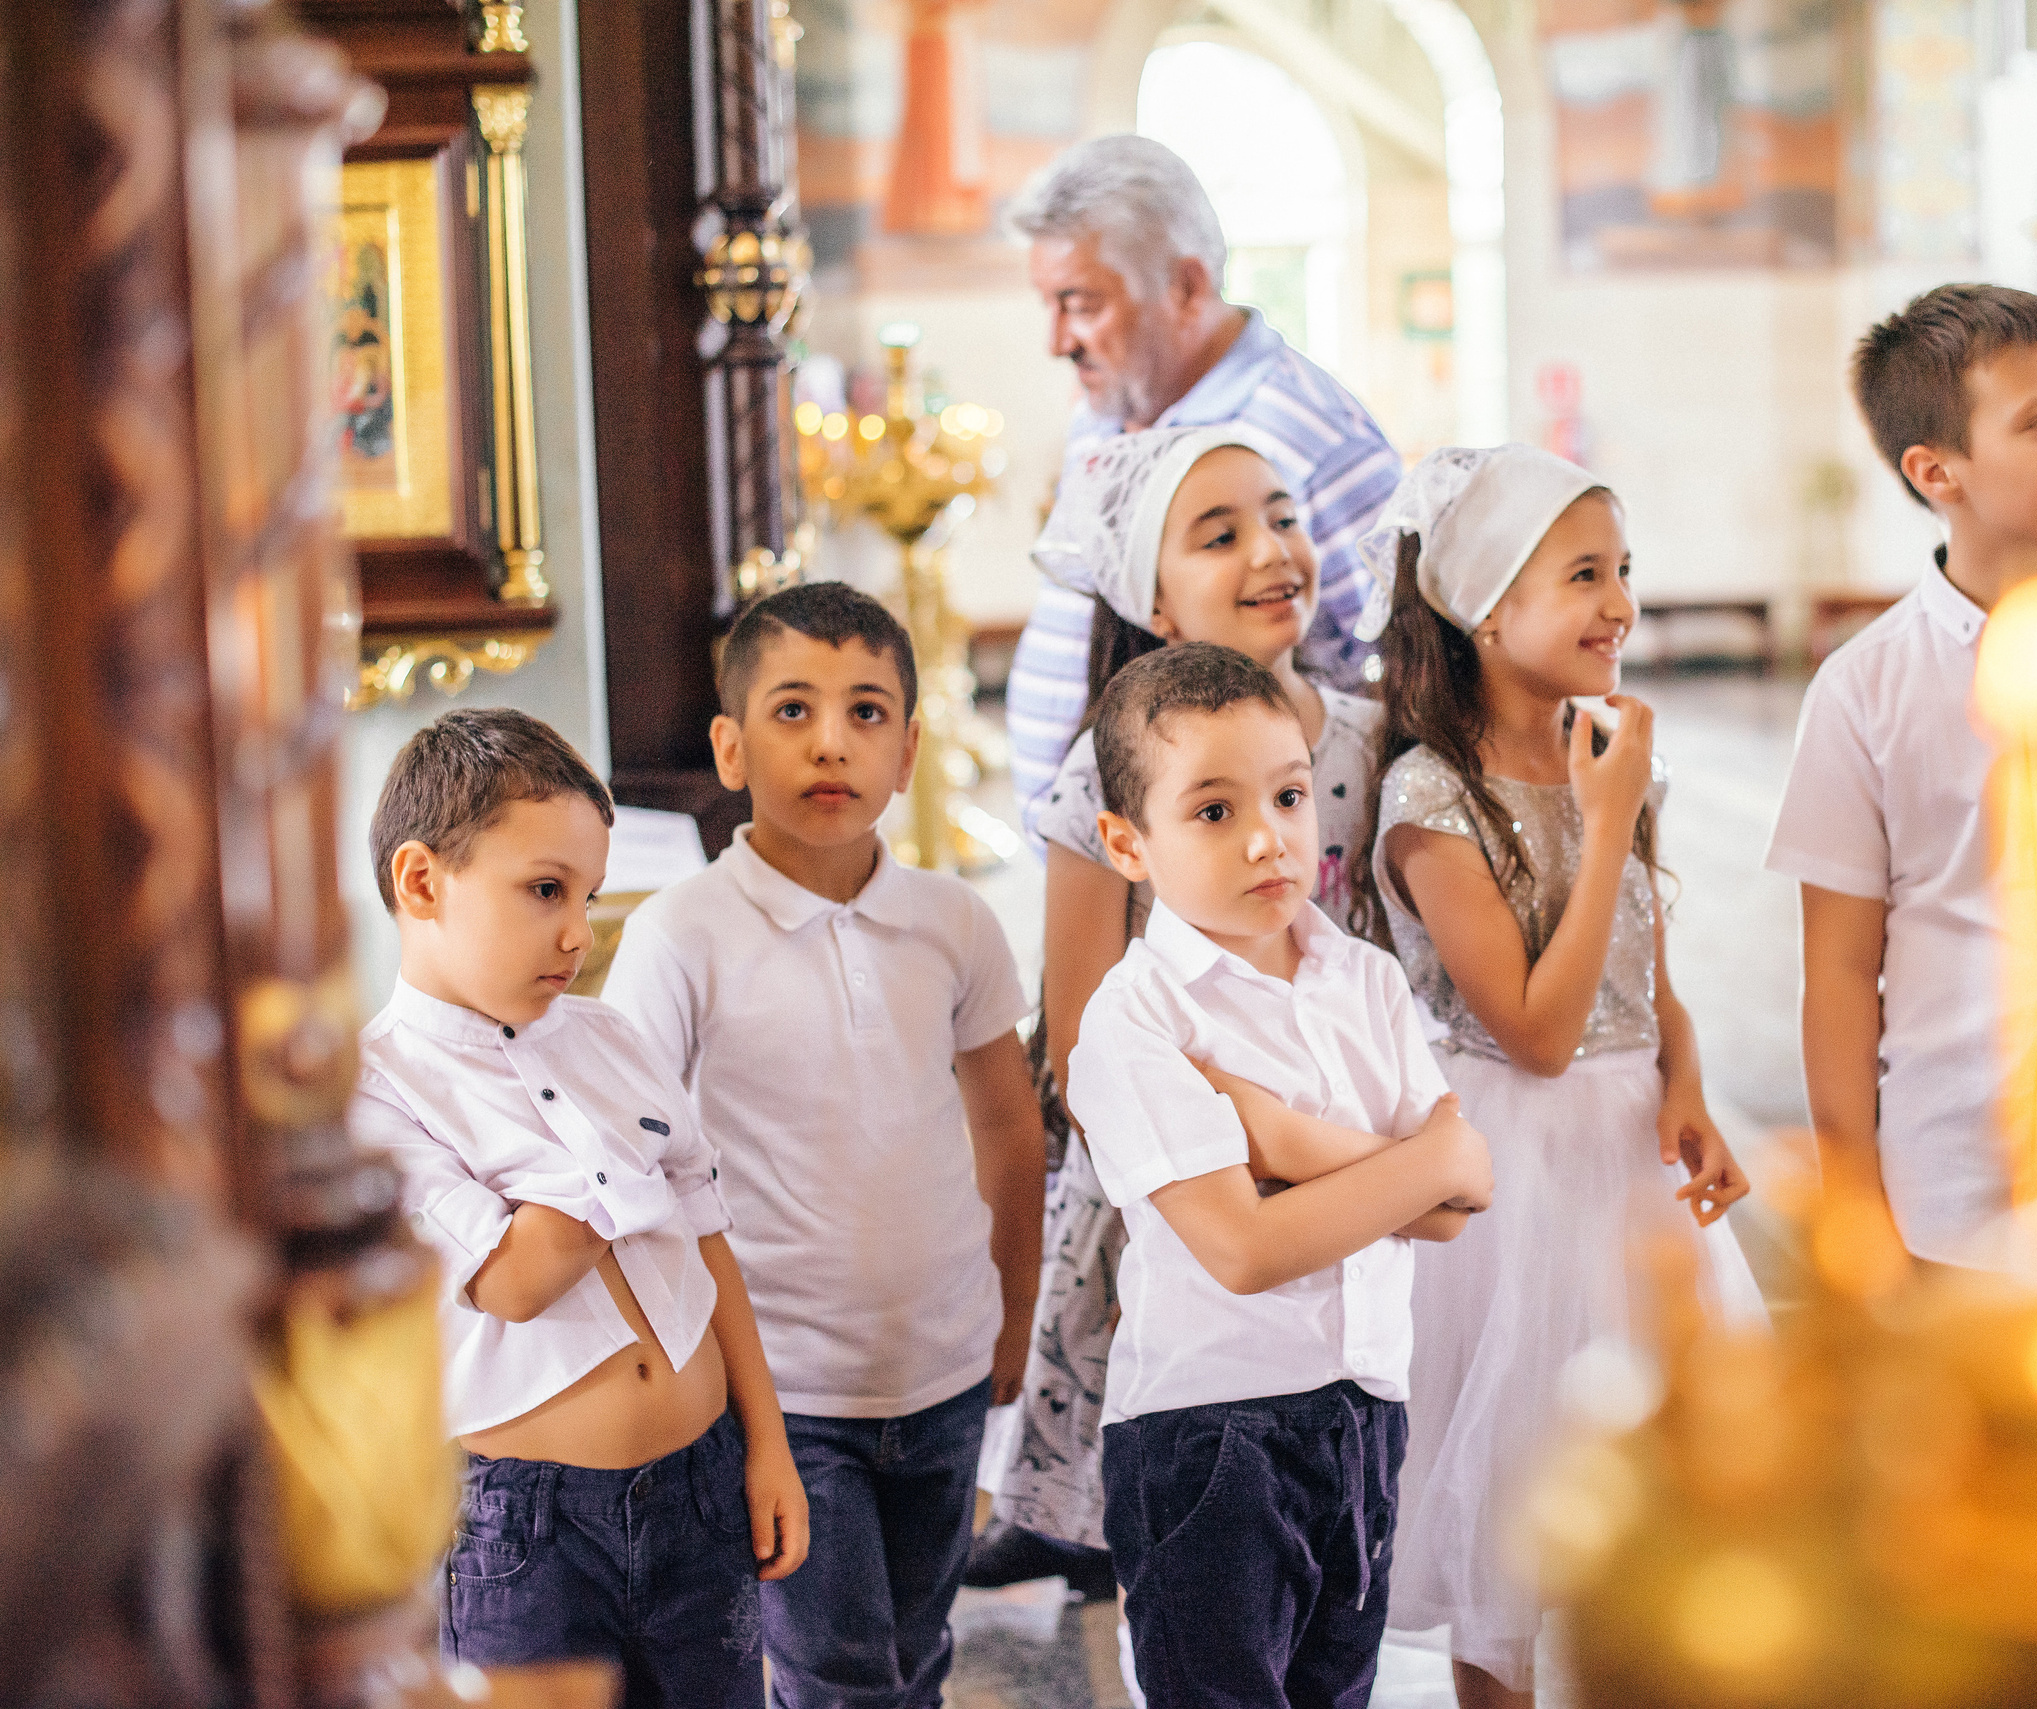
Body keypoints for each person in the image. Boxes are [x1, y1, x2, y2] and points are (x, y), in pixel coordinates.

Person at [1357, 445, 1767, 1709]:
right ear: (1487, 606)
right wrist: (1603, 821)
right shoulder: (1432, 799)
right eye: (1583, 575)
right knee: (1516, 1506)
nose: (1621, 606)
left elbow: (1640, 965)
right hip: (1515, 1176)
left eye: (1623, 572)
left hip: (1624, 1158)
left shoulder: (1601, 752)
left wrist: (1684, 1081)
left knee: (1656, 1490)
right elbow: (1535, 1027)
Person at [601, 585, 1047, 1709]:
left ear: (908, 746)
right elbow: (636, 1170)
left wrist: (1014, 1306)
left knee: (917, 1653)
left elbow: (1006, 1122)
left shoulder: (955, 922)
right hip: (784, 1393)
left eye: (865, 711)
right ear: (731, 745)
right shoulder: (680, 933)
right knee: (838, 1675)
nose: (830, 740)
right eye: (792, 709)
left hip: (943, 1366)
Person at [971, 425, 1390, 1594]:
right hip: (1177, 1181)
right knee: (1186, 1532)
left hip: (1353, 1177)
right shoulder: (1099, 780)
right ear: (1156, 601)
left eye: (1283, 514)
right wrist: (1230, 1140)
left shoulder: (1368, 739)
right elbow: (1080, 1033)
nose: (1271, 549)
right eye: (1219, 535)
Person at [350, 708, 807, 1705]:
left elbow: (705, 1238)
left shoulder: (607, 1038)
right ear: (421, 881)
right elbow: (516, 1276)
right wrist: (612, 1148)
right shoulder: (375, 1089)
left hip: (702, 1477)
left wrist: (766, 1441)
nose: (578, 931)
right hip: (529, 1531)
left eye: (589, 895)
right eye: (544, 890)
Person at [1066, 641, 1493, 1707]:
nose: (1267, 837)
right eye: (1211, 811)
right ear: (1128, 841)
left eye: (1290, 794)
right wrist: (1424, 1162)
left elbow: (1455, 1205)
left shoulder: (1365, 979)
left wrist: (1280, 1139)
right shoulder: (1136, 1016)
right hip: (1212, 1433)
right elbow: (1244, 1249)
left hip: (1361, 1413)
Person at [1768, 284, 2037, 1280]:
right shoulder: (1864, 688)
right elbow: (1836, 972)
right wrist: (1853, 1195)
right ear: (1936, 469)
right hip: (1950, 1184)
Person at [1002, 134, 1401, 828]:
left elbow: (1401, 660)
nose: (1059, 341)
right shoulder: (1108, 410)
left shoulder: (1311, 429)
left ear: (1185, 286)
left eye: (1082, 303)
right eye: (1050, 304)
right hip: (1095, 846)